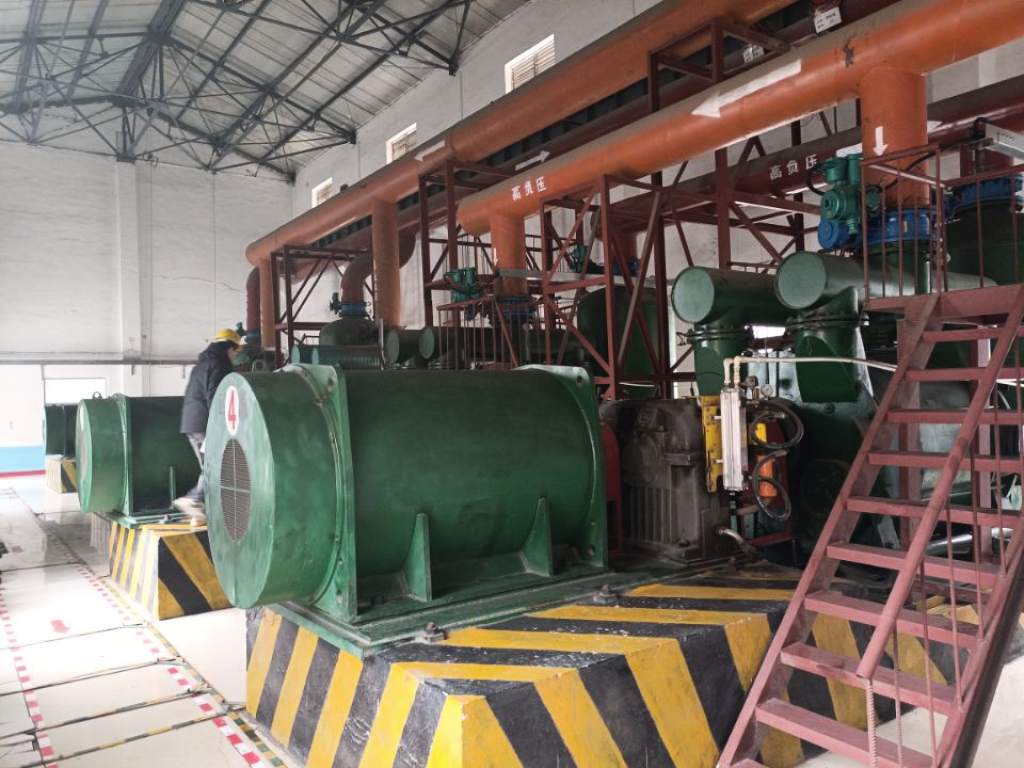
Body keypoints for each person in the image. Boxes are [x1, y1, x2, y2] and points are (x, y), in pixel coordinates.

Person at [173, 328, 241, 525]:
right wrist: (220, 427)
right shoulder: (220, 363)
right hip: (205, 424)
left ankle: (199, 515)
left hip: (191, 423)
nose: (235, 356)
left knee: (210, 466)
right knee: (216, 466)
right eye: (235, 352)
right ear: (230, 348)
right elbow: (216, 396)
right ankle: (193, 499)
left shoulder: (202, 363)